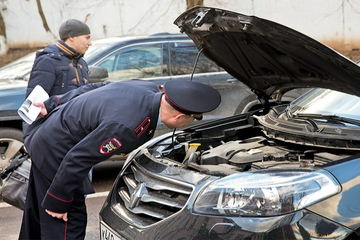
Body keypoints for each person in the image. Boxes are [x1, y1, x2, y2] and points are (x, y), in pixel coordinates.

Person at [19, 79, 221, 239]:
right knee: (67, 221)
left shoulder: (146, 88)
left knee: (37, 213)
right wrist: (58, 202)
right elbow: (78, 159)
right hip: (56, 152)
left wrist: (54, 102)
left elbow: (95, 87)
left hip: (49, 135)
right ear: (179, 118)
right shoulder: (128, 127)